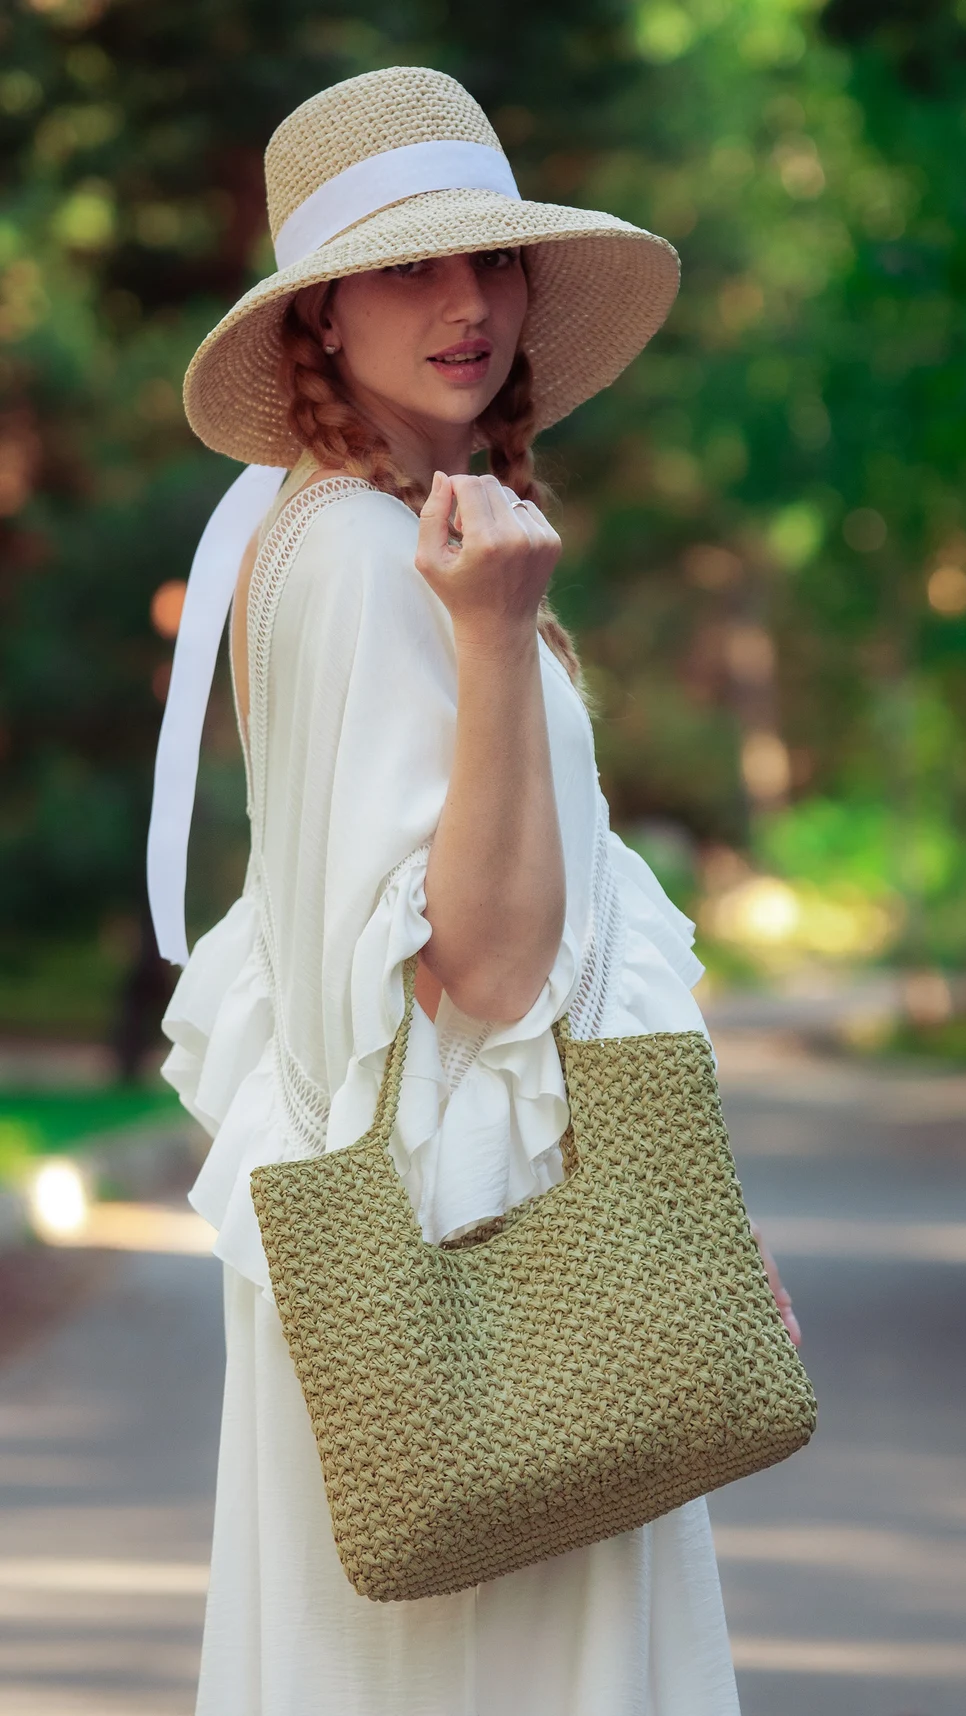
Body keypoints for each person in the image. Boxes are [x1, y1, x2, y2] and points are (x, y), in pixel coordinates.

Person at [153, 64, 799, 1716]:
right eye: (405, 267)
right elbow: (492, 969)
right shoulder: (387, 572)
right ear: (317, 324)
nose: (468, 303)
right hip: (486, 1284)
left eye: (491, 261)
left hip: (464, 1242)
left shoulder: (345, 533)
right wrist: (503, 637)